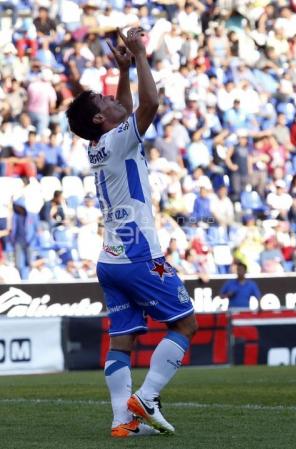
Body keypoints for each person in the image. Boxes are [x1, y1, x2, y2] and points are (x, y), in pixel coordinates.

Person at [66, 27, 197, 438]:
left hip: (110, 260)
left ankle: (122, 423)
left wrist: (121, 71)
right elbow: (149, 102)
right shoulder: (120, 139)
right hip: (140, 256)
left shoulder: (98, 144)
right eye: (104, 99)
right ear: (101, 119)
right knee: (186, 325)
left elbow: (122, 108)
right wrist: (140, 54)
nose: (112, 97)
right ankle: (148, 396)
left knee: (121, 341)